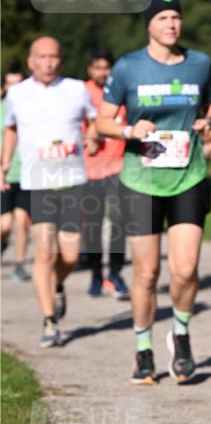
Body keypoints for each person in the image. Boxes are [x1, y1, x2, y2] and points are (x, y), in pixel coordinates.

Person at [96, 0, 211, 385]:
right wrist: (129, 129)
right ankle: (143, 348)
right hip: (141, 180)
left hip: (189, 174)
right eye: (163, 17)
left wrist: (208, 121)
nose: (171, 24)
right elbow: (102, 121)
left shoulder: (200, 64)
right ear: (149, 24)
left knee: (184, 270)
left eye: (175, 17)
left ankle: (180, 335)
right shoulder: (129, 67)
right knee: (147, 274)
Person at [1, 38, 98, 346]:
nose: (47, 62)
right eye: (41, 57)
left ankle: (56, 285)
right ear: (31, 61)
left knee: (69, 254)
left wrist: (93, 138)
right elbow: (11, 129)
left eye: (53, 57)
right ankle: (49, 321)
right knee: (43, 252)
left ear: (60, 60)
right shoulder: (17, 93)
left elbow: (93, 121)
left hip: (71, 178)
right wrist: (4, 163)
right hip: (37, 181)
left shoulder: (76, 89)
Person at [82, 49, 129, 299]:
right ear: (90, 70)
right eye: (97, 67)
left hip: (119, 167)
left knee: (120, 224)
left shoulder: (120, 93)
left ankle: (115, 274)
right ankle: (95, 276)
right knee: (92, 226)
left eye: (106, 67)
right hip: (90, 169)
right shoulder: (82, 92)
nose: (102, 72)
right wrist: (86, 137)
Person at [1, 60, 31, 281]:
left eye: (17, 84)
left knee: (22, 222)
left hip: (28, 173)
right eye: (9, 84)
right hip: (4, 174)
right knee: (4, 225)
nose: (13, 89)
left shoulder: (31, 107)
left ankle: (20, 263)